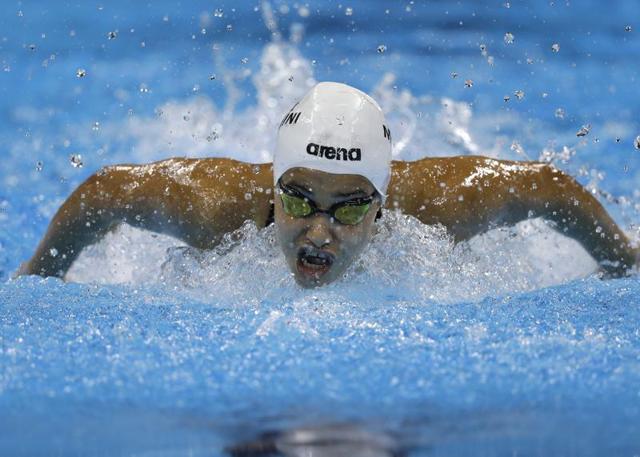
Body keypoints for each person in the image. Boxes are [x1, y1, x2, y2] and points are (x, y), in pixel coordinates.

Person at [18, 82, 639, 286]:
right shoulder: (216, 207)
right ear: (274, 185)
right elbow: (106, 192)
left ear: (381, 203)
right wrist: (39, 276)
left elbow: (549, 187)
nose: (318, 231)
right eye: (298, 200)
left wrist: (622, 258)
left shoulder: (442, 207)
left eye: (348, 210)